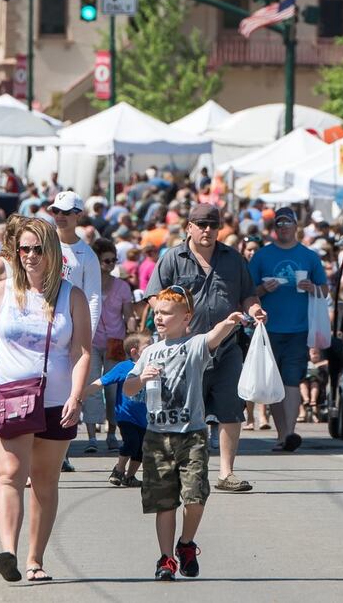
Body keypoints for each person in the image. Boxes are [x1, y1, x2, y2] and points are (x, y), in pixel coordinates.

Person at [0, 215, 92, 585]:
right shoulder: (2, 291)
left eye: (37, 249)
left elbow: (82, 351)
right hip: (7, 395)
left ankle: (35, 559)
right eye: (24, 249)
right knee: (11, 474)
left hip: (55, 399)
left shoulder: (72, 296)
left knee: (45, 481)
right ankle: (9, 552)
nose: (30, 256)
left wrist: (77, 395)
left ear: (51, 252)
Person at [127, 288, 249, 581]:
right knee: (164, 502)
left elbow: (213, 336)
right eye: (157, 313)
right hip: (157, 437)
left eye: (167, 313)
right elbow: (129, 388)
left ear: (186, 318)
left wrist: (230, 321)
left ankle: (186, 544)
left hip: (191, 435)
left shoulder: (194, 345)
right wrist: (140, 378)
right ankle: (166, 558)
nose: (159, 317)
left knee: (194, 496)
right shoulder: (150, 352)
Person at [146, 203, 266, 490]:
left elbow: (248, 295)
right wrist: (171, 318)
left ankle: (226, 473)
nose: (207, 230)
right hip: (186, 348)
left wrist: (256, 309)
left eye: (212, 225)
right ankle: (181, 467)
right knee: (186, 410)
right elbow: (153, 296)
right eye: (201, 224)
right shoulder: (173, 258)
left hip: (227, 345)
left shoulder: (233, 259)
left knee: (230, 409)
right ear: (189, 227)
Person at [248, 206, 327, 453]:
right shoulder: (262, 256)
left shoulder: (309, 256)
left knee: (292, 381)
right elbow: (247, 293)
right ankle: (282, 435)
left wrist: (311, 287)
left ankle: (290, 432)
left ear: (296, 227)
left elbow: (325, 290)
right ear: (274, 229)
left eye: (287, 223)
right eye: (279, 224)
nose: (283, 228)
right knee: (275, 383)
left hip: (299, 329)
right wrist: (263, 290)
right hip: (268, 328)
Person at [46, 192, 105, 458]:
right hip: (44, 326)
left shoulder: (87, 255)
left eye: (66, 213)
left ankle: (62, 452)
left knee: (69, 389)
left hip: (72, 328)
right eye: (56, 211)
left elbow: (93, 297)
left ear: (78, 215)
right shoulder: (44, 246)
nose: (60, 217)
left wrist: (86, 336)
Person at [86, 332, 149, 486]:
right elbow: (102, 382)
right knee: (132, 442)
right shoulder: (125, 367)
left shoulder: (153, 367)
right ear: (135, 352)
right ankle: (119, 470)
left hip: (145, 419)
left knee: (141, 449)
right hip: (126, 416)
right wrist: (78, 396)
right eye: (149, 347)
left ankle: (130, 476)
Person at [92, 238, 134, 453]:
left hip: (115, 341)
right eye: (106, 261)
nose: (110, 265)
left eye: (113, 261)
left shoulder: (122, 286)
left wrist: (133, 333)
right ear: (96, 260)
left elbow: (128, 315)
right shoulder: (87, 283)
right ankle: (91, 436)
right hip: (89, 341)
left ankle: (111, 432)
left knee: (112, 390)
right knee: (90, 387)